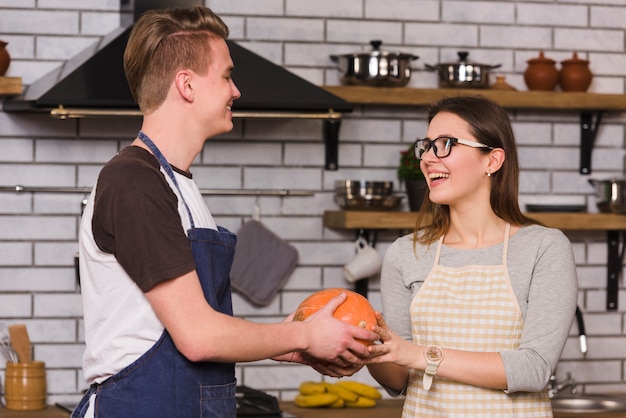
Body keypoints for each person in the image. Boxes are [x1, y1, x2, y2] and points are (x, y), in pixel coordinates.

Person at [72, 6, 377, 418]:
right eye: (227, 75)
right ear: (187, 85)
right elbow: (198, 336)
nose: (236, 91)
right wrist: (302, 334)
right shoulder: (133, 181)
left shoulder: (179, 186)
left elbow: (201, 328)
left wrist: (291, 341)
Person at [366, 96, 578, 417]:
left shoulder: (543, 247)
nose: (427, 158)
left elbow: (534, 368)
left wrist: (418, 355)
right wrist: (369, 349)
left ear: (492, 161)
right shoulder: (405, 253)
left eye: (446, 144)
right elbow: (398, 380)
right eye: (426, 145)